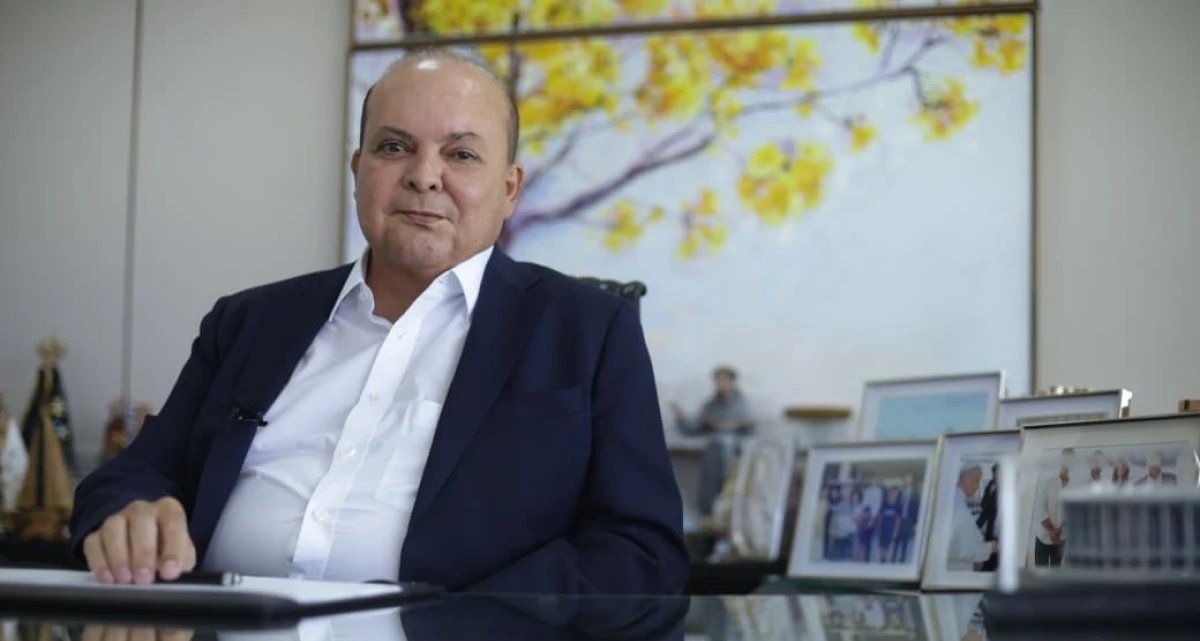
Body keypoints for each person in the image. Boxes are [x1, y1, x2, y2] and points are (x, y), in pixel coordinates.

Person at [68, 49, 688, 594]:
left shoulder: (588, 331)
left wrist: (458, 621)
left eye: (461, 154)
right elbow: (135, 473)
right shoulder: (249, 321)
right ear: (357, 168)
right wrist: (129, 512)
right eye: (394, 147)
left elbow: (639, 552)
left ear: (509, 189)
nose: (424, 175)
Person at [672, 366, 755, 517]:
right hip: (713, 453)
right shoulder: (711, 405)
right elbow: (697, 427)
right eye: (718, 381)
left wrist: (722, 425)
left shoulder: (741, 404)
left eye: (724, 380)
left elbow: (748, 427)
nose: (721, 384)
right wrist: (682, 418)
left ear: (732, 382)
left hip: (734, 453)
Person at [946, 466, 996, 572]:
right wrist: (991, 547)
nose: (977, 487)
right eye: (977, 481)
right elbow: (969, 549)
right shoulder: (959, 508)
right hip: (956, 571)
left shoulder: (953, 500)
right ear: (967, 479)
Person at [1034, 449, 1072, 567]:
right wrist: (1052, 531)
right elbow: (1040, 509)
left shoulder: (1075, 485)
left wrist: (1058, 531)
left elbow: (1073, 513)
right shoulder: (1049, 481)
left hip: (1061, 538)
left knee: (1055, 571)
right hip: (1043, 536)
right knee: (1040, 572)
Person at [974, 463, 999, 571]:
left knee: (994, 549)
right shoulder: (989, 485)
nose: (995, 476)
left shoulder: (1004, 488)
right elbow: (984, 503)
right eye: (994, 473)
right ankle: (986, 566)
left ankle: (990, 567)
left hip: (996, 521)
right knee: (988, 544)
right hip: (987, 519)